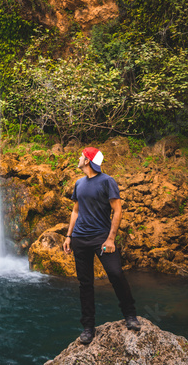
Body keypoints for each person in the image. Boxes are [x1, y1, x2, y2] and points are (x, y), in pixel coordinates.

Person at [63, 147, 141, 345]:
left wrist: (111, 239)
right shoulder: (79, 183)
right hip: (80, 239)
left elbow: (117, 211)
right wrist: (69, 236)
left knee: (115, 274)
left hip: (101, 239)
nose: (78, 158)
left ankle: (130, 315)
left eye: (82, 156)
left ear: (88, 160)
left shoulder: (107, 181)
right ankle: (88, 327)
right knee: (85, 284)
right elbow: (75, 211)